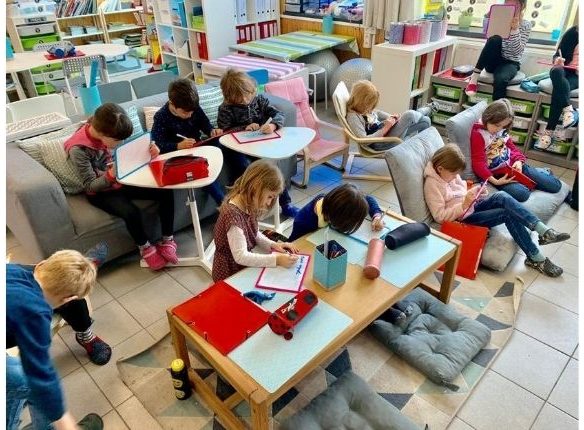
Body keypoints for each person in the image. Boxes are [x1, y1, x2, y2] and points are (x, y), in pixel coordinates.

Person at [424, 144, 569, 277]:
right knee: (507, 214)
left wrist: (476, 192)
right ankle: (536, 257)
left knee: (501, 196)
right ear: (440, 168)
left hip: (471, 207)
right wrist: (463, 205)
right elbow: (439, 216)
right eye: (453, 173)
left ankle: (543, 230)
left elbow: (461, 192)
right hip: (462, 218)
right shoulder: (432, 184)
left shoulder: (449, 174)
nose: (456, 176)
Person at [65, 103, 175, 270]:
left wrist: (150, 152)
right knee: (130, 212)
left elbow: (127, 154)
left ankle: (168, 239)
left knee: (165, 190)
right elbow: (90, 186)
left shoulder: (107, 130)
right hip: (100, 191)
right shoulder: (78, 149)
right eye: (117, 140)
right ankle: (145, 248)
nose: (121, 143)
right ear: (102, 133)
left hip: (122, 178)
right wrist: (110, 174)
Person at [7, 250, 105, 430]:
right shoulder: (36, 312)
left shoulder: (12, 270)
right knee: (33, 386)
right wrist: (64, 420)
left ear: (43, 263)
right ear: (69, 299)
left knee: (20, 382)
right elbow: (41, 374)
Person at [216, 68, 298, 219]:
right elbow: (225, 131)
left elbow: (279, 114)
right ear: (230, 98)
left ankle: (286, 204)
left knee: (271, 170)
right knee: (245, 169)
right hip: (235, 149)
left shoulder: (258, 100)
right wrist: (243, 128)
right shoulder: (225, 109)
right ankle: (249, 207)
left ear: (251, 90)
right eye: (240, 100)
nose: (246, 101)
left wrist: (273, 125)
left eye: (247, 96)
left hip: (256, 144)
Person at [212, 159, 299, 281]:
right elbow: (241, 256)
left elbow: (254, 233)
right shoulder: (232, 215)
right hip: (229, 273)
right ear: (256, 187)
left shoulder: (247, 204)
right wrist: (277, 260)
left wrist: (274, 245)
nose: (269, 202)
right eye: (269, 197)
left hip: (240, 268)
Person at [150, 78, 225, 205]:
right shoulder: (161, 117)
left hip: (198, 146)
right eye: (185, 113)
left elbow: (204, 123)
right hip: (178, 156)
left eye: (192, 112)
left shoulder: (192, 107)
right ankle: (223, 203)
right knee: (201, 169)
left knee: (223, 143)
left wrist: (212, 131)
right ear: (172, 104)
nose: (190, 115)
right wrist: (178, 146)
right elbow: (158, 145)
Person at [471, 99, 562, 202]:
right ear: (487, 118)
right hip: (498, 174)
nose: (499, 129)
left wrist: (519, 161)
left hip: (515, 167)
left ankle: (541, 172)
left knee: (556, 186)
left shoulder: (501, 129)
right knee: (523, 194)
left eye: (503, 126)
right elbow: (477, 162)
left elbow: (512, 148)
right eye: (497, 125)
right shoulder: (478, 134)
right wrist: (495, 181)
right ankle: (541, 172)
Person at [465, 0, 531, 100]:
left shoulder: (526, 24)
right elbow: (488, 38)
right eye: (508, 3)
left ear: (522, 6)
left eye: (516, 4)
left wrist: (515, 30)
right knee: (495, 39)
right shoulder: (499, 19)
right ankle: (474, 77)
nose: (512, 6)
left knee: (501, 80)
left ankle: (497, 113)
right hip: (493, 60)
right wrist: (488, 18)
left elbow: (517, 51)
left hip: (510, 62)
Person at [345, 80, 432, 149]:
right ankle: (426, 109)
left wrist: (391, 117)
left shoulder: (364, 109)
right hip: (379, 143)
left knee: (426, 121)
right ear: (360, 101)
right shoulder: (353, 117)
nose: (370, 109)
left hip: (387, 133)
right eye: (368, 106)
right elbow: (363, 140)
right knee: (409, 115)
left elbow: (377, 113)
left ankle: (423, 150)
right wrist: (385, 128)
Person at [288, 183, 385, 242]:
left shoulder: (335, 201)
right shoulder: (303, 223)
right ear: (338, 221)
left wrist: (376, 216)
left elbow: (369, 199)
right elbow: (294, 245)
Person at [537, 25, 579, 149]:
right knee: (556, 71)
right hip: (564, 70)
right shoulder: (573, 33)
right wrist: (558, 60)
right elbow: (557, 55)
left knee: (559, 89)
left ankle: (548, 132)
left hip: (577, 75)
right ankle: (568, 110)